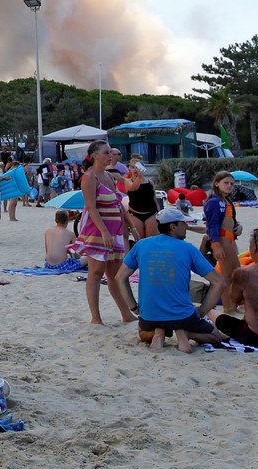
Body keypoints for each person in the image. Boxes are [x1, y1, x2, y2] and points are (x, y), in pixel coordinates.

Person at [117, 208, 226, 352]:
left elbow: (120, 278)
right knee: (215, 337)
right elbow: (219, 283)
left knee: (143, 333)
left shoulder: (141, 245)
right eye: (183, 224)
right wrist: (201, 311)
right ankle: (185, 332)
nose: (187, 226)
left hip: (150, 315)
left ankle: (159, 332)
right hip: (182, 315)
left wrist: (134, 308)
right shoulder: (188, 248)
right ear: (173, 227)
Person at [68, 141, 137, 324]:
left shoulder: (107, 175)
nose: (111, 156)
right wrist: (104, 232)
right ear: (95, 155)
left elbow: (118, 205)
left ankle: (126, 314)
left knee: (115, 275)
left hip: (113, 230)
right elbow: (91, 207)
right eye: (107, 153)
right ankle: (96, 317)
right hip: (98, 230)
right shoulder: (90, 177)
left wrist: (131, 227)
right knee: (96, 272)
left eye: (111, 153)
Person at [202, 171, 242, 279]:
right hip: (222, 238)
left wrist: (238, 226)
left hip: (230, 239)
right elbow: (212, 225)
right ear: (216, 183)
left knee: (237, 272)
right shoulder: (214, 201)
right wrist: (216, 245)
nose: (229, 186)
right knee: (227, 275)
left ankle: (231, 296)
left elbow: (230, 219)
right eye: (226, 183)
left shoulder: (227, 201)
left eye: (232, 184)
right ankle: (224, 296)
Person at [124, 163, 159, 240]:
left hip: (151, 212)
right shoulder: (127, 181)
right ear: (129, 168)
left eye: (137, 167)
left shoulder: (150, 182)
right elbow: (133, 188)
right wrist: (139, 177)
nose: (135, 169)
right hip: (135, 213)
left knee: (152, 239)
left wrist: (159, 212)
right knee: (139, 240)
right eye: (133, 167)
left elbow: (154, 198)